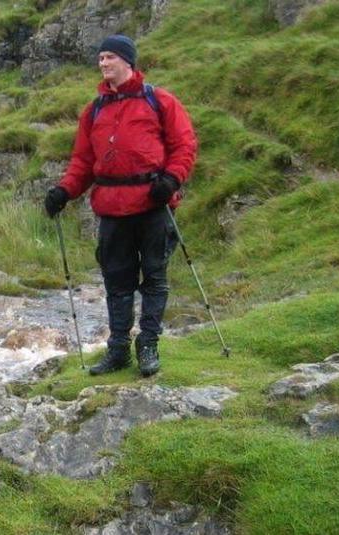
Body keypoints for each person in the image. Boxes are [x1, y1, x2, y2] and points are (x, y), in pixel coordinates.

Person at [44, 34, 197, 377]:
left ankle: (148, 345)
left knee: (155, 277)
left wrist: (171, 180)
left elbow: (184, 144)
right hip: (111, 207)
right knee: (117, 280)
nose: (103, 63)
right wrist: (64, 191)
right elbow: (82, 162)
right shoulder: (94, 110)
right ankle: (118, 350)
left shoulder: (160, 101)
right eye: (100, 58)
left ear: (128, 61)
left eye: (110, 57)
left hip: (153, 204)